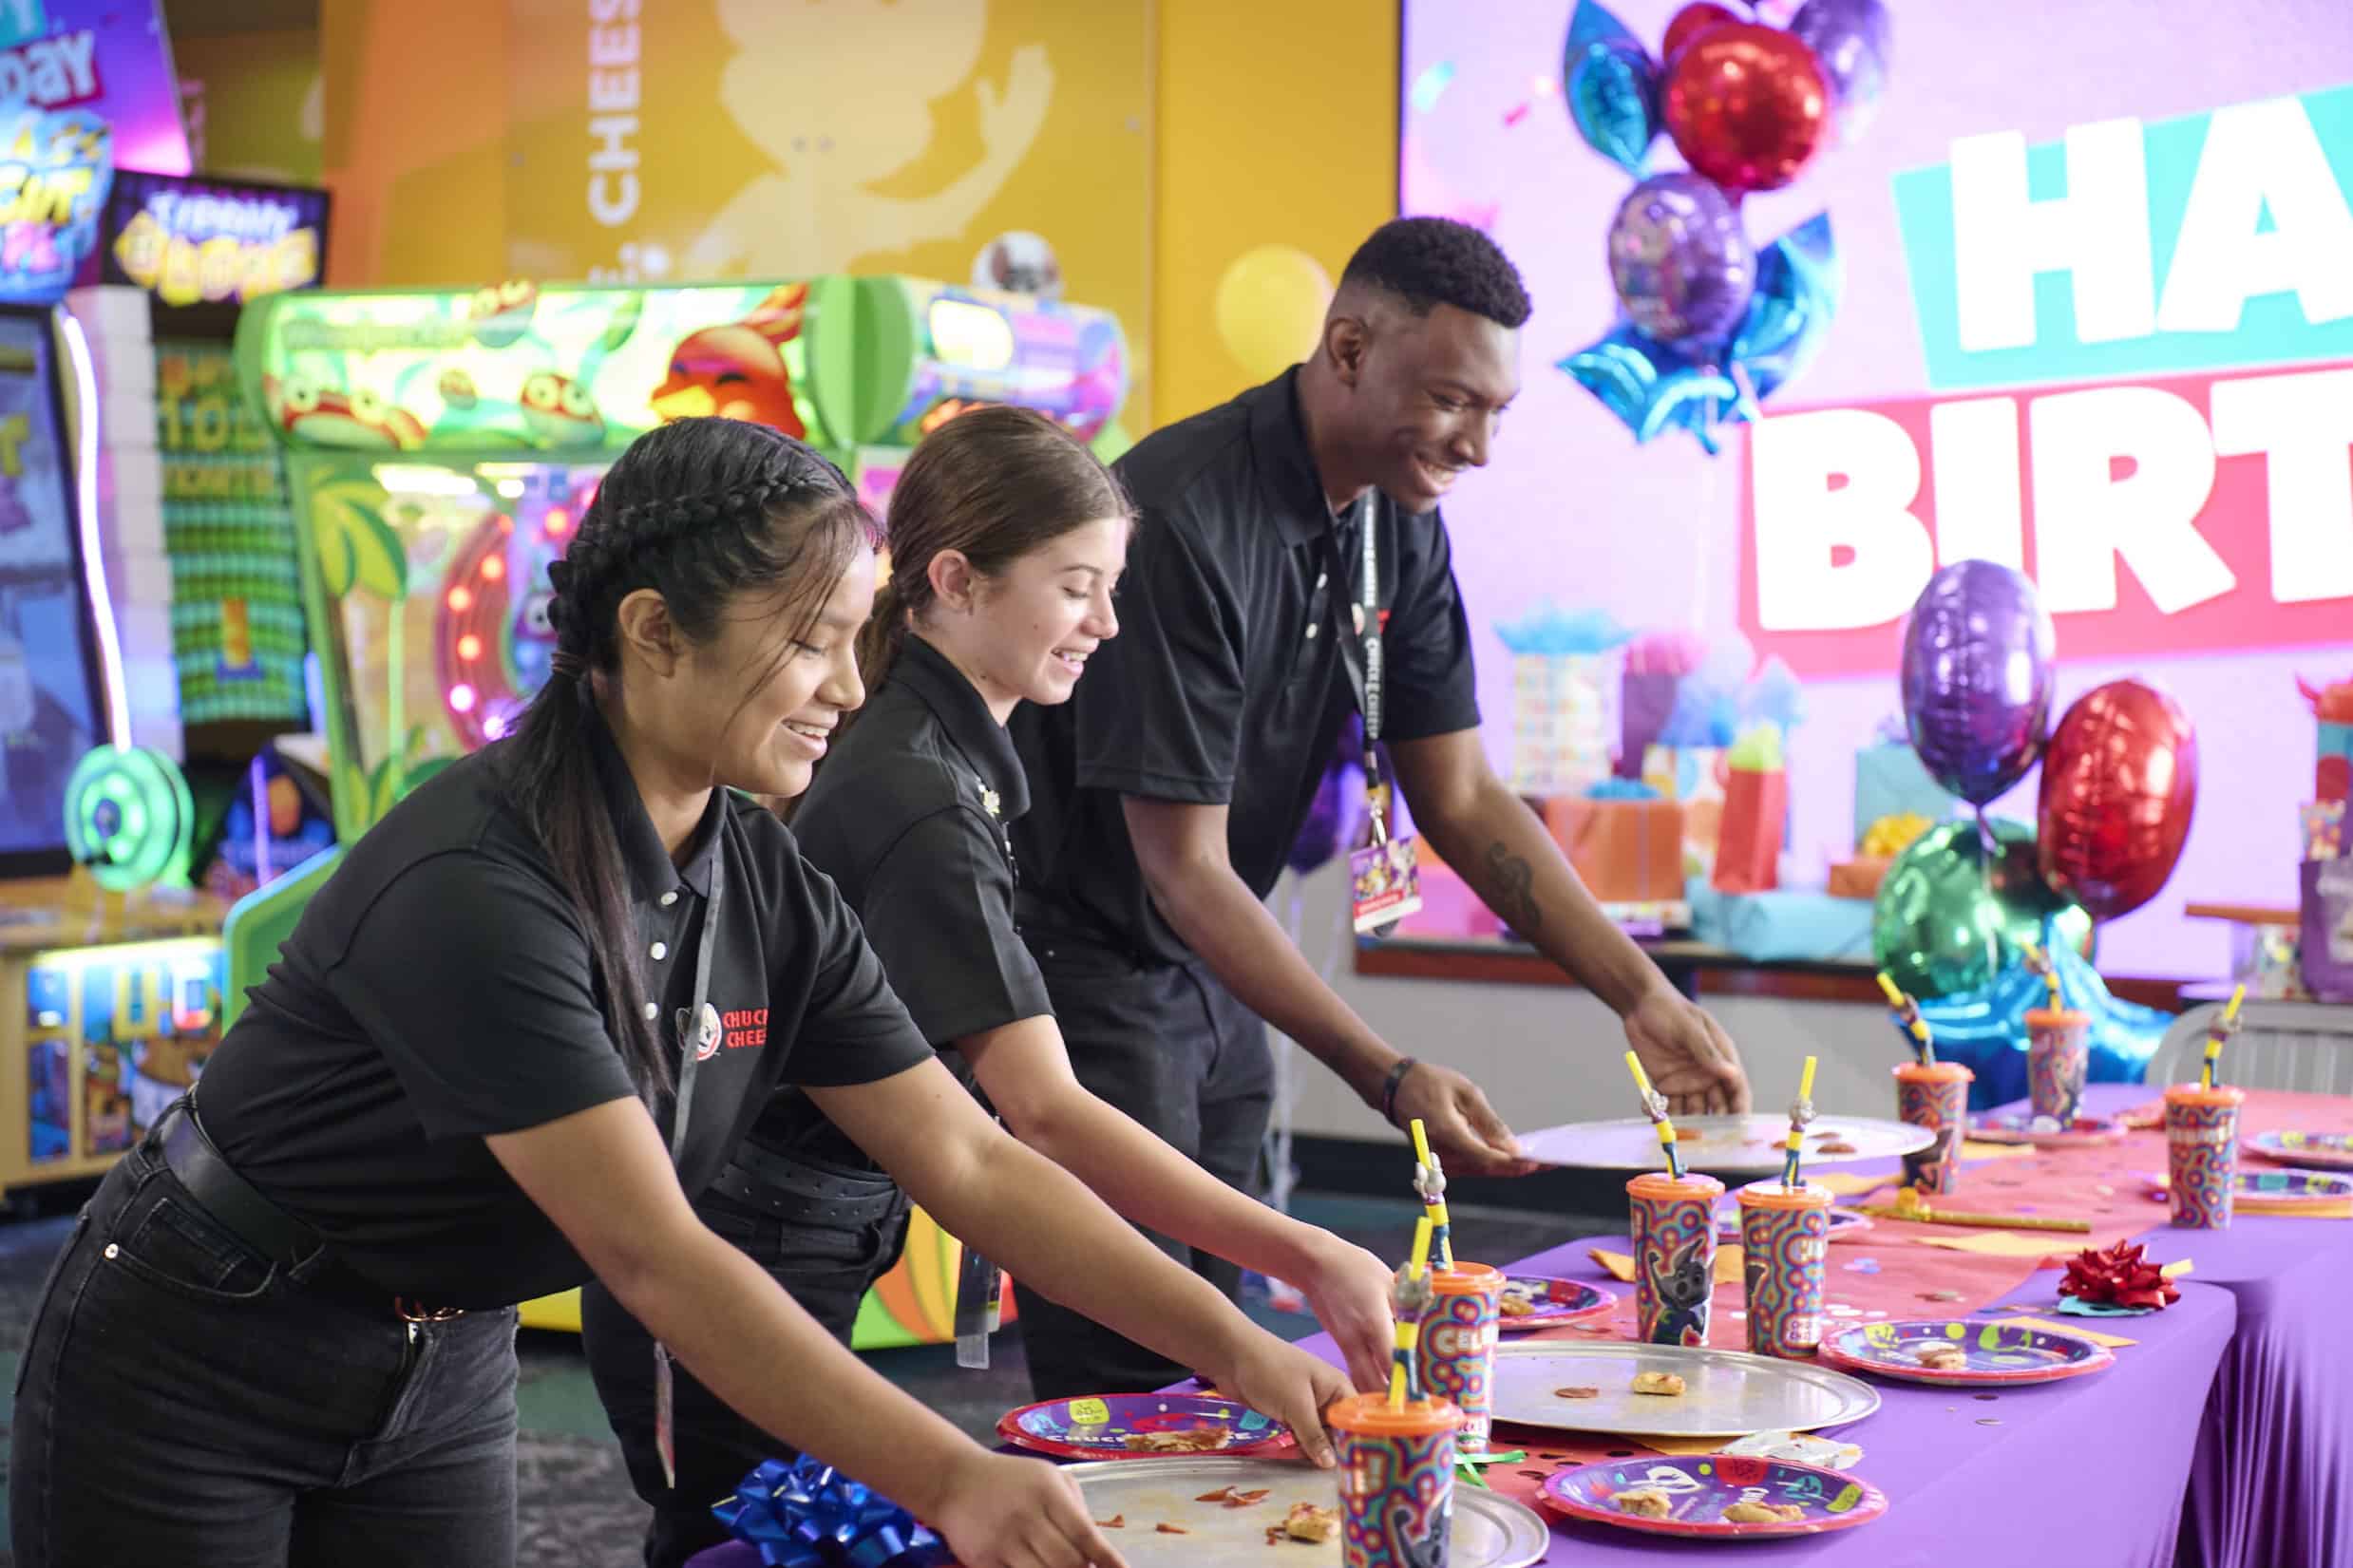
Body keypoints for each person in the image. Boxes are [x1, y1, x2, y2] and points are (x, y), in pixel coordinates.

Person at [10, 416, 1349, 1568]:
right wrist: (948, 1473)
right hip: (206, 1349)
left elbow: (968, 1157)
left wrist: (1241, 1347)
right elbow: (658, 1254)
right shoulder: (481, 877)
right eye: (811, 642)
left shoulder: (759, 866)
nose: (847, 684)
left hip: (447, 1339)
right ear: (655, 633)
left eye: (854, 637)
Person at [583, 406, 1395, 1568]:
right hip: (732, 1252)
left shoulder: (946, 762)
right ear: (955, 580)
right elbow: (1039, 1114)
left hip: (803, 1223)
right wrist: (1293, 1265)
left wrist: (1261, 1300)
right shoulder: (913, 789)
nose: (1107, 624)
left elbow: (984, 1133)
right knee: (740, 1540)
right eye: (1076, 587)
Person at [1008, 217, 1754, 1397]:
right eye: (1456, 401)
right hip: (1084, 979)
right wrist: (1387, 1075)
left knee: (1239, 1365)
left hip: (1209, 981)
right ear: (1347, 350)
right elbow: (1181, 868)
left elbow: (1457, 791)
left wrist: (1641, 991)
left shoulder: (1397, 520)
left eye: (1497, 412)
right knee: (1132, 1385)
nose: (1480, 445)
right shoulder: (1183, 514)